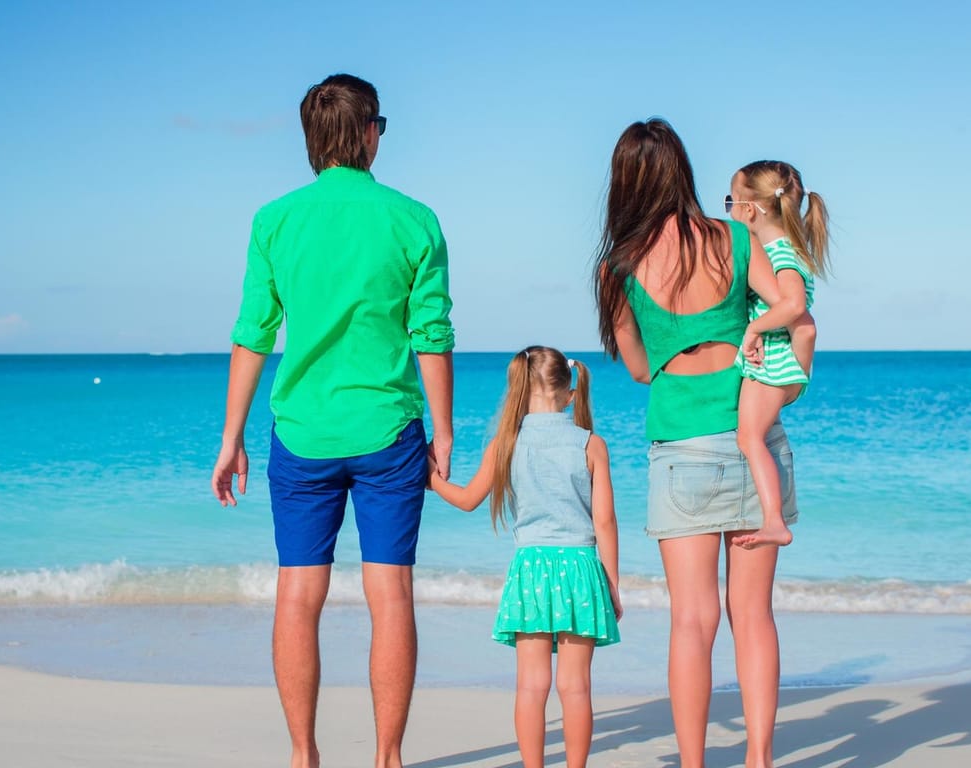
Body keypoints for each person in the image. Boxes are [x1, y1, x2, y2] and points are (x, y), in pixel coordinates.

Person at [210, 73, 455, 768]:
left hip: (302, 434)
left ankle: (302, 755)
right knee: (391, 593)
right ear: (370, 132)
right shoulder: (414, 219)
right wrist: (444, 429)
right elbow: (431, 335)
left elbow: (253, 334)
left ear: (312, 142)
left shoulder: (275, 220)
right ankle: (386, 758)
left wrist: (230, 439)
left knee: (298, 593)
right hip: (389, 433)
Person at [591, 119, 801, 768]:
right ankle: (760, 759)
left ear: (624, 184)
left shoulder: (618, 267)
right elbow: (789, 304)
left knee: (692, 622)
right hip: (754, 437)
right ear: (681, 170)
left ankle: (692, 762)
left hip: (681, 449)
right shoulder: (735, 238)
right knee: (754, 615)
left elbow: (634, 366)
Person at [427, 347, 620, 768]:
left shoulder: (506, 444)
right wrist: (612, 582)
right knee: (577, 687)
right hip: (582, 568)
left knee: (531, 686)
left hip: (530, 569)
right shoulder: (591, 444)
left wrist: (430, 478)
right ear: (571, 392)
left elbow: (467, 499)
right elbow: (604, 521)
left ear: (520, 389)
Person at [725, 161, 829, 549]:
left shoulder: (779, 252)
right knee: (754, 436)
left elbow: (794, 306)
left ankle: (773, 521)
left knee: (750, 437)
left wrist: (753, 328)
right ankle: (772, 518)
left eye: (730, 201)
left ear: (749, 210)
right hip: (778, 359)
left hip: (773, 359)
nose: (730, 211)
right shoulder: (787, 248)